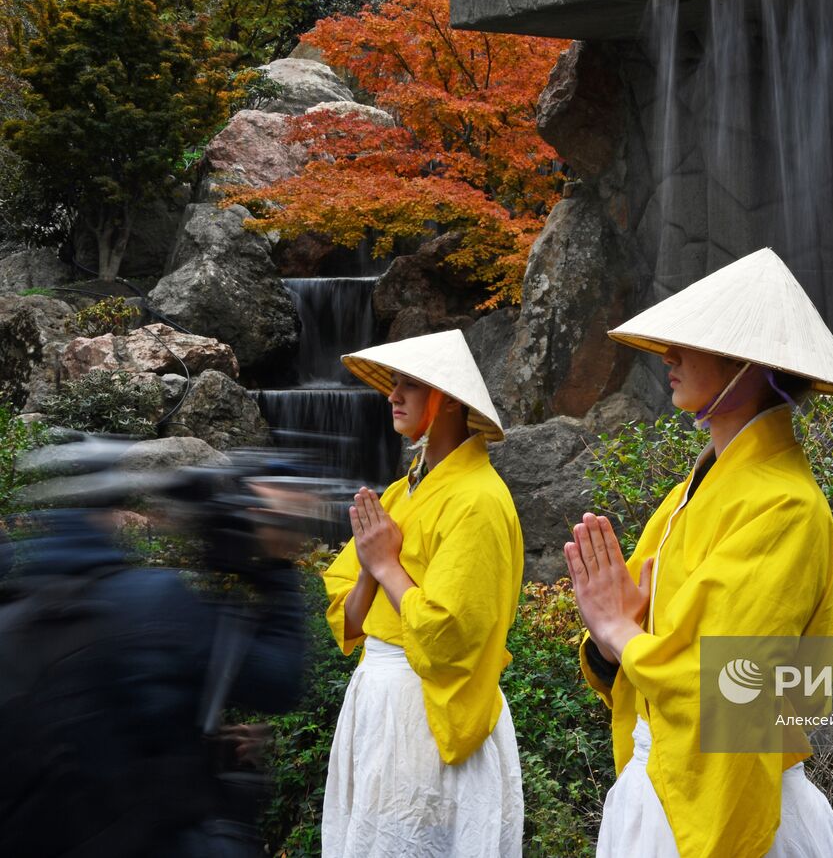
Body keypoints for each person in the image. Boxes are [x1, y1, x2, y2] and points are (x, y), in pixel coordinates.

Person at [566, 248, 833, 858]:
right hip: (658, 786)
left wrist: (620, 632)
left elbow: (731, 682)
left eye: (690, 342)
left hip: (729, 802)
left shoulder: (786, 505)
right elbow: (641, 650)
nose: (668, 356)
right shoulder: (689, 494)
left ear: (749, 363)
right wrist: (608, 644)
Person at [0, 442, 310, 858]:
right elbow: (279, 681)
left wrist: (190, 728)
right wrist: (274, 563)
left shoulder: (13, 621)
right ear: (109, 517)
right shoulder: (155, 601)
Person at [321, 329, 525, 858]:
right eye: (394, 384)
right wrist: (373, 564)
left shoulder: (477, 498)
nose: (393, 396)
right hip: (379, 697)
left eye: (410, 384)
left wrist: (385, 563)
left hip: (427, 705)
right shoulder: (400, 490)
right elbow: (347, 611)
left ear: (450, 400)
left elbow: (449, 634)